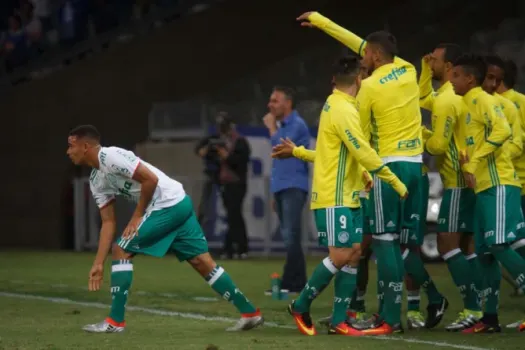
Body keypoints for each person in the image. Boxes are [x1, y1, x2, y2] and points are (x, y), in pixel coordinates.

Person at [297, 11, 447, 333]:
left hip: (387, 168)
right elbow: (361, 41)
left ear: (375, 56)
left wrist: (321, 21)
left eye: (366, 54)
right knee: (402, 246)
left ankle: (388, 318)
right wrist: (323, 22)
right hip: (416, 168)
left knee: (382, 242)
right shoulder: (406, 69)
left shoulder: (367, 89)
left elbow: (359, 143)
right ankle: (431, 298)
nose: (361, 57)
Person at [66, 125, 263, 333]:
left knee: (121, 249)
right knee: (202, 262)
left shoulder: (111, 155)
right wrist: (98, 263)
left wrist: (137, 215)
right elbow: (108, 222)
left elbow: (151, 179)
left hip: (167, 205)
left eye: (71, 146)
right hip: (179, 203)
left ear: (85, 146)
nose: (68, 152)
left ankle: (115, 322)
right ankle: (250, 313)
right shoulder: (96, 180)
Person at [273, 55, 408, 336]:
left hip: (349, 195)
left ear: (334, 79)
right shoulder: (343, 110)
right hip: (335, 197)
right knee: (341, 255)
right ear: (359, 79)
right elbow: (361, 150)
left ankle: (338, 320)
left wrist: (297, 151)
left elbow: (330, 153)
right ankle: (301, 304)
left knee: (355, 254)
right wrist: (395, 182)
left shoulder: (338, 105)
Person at [451, 54, 525, 333]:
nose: (451, 80)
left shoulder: (483, 100)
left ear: (470, 78)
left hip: (499, 183)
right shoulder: (466, 104)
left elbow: (503, 131)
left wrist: (476, 161)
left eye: (456, 76)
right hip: (482, 187)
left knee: (499, 245)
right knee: (485, 254)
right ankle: (490, 319)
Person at [418, 43, 485, 331]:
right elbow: (421, 99)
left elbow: (437, 146)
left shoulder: (447, 100)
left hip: (457, 181)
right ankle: (481, 306)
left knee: (446, 244)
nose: (429, 61)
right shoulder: (451, 95)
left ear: (448, 67)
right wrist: (423, 69)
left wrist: (415, 134)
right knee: (468, 246)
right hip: (468, 180)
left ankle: (472, 307)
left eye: (433, 60)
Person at [263, 86, 310, 295]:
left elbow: (278, 148)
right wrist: (275, 192)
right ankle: (295, 281)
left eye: (275, 100)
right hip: (283, 187)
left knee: (291, 236)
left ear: (287, 103)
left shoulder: (297, 125)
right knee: (288, 237)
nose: (270, 104)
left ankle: (293, 282)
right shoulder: (285, 125)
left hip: (293, 186)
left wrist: (271, 127)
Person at [496, 59, 525, 306]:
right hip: (501, 184)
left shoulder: (519, 103)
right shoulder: (487, 103)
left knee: (506, 243)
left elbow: (519, 143)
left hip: (518, 185)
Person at [215, 115, 251, 259]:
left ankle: (236, 248)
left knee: (234, 215)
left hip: (237, 183)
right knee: (232, 216)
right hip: (226, 183)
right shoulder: (222, 141)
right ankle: (233, 248)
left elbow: (241, 162)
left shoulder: (240, 141)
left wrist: (227, 157)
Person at [194, 113, 226, 231]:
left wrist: (220, 147)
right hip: (210, 173)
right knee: (204, 204)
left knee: (227, 203)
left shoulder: (227, 139)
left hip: (223, 174)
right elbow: (199, 152)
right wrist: (209, 146)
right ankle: (199, 227)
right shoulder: (210, 139)